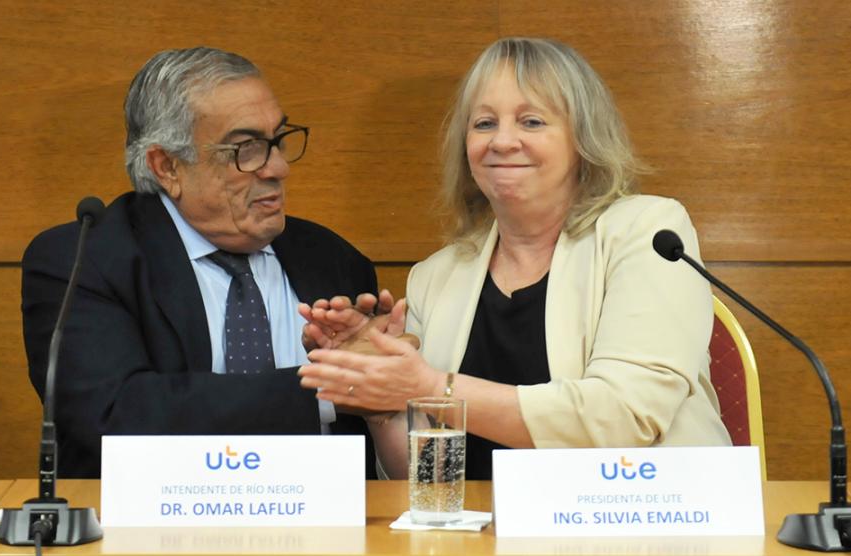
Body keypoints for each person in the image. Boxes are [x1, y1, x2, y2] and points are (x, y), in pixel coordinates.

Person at [297, 37, 732, 480]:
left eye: (531, 121)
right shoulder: (435, 276)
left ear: (583, 138)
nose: (503, 141)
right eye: (484, 123)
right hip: (480, 540)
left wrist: (433, 388)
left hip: (637, 524)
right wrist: (383, 401)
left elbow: (624, 416)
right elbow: (427, 481)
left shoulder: (648, 232)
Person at [22, 47, 386, 478]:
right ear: (167, 166)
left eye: (278, 140)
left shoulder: (334, 260)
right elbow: (112, 416)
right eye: (246, 149)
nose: (279, 167)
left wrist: (381, 369)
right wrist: (326, 388)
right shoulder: (85, 259)